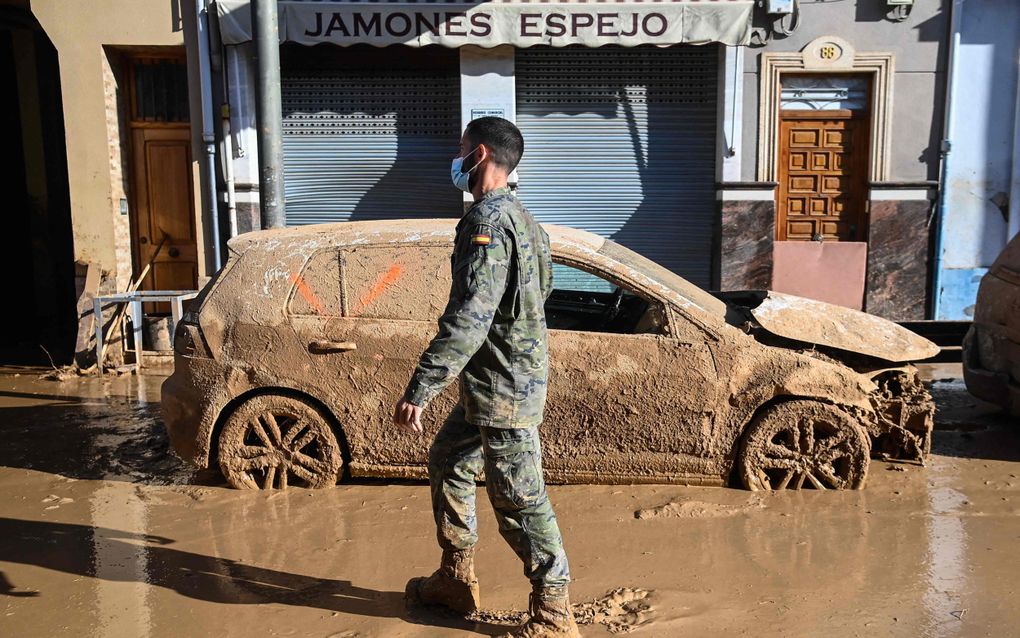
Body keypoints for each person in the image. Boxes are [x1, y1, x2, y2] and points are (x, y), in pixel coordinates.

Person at [392, 116, 580, 638]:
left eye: (459, 151)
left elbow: (471, 315)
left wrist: (422, 387)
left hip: (503, 387)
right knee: (449, 458)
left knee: (520, 497)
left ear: (478, 156)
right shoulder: (525, 220)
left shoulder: (490, 224)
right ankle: (456, 578)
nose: (454, 161)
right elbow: (537, 298)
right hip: (494, 381)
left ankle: (554, 612)